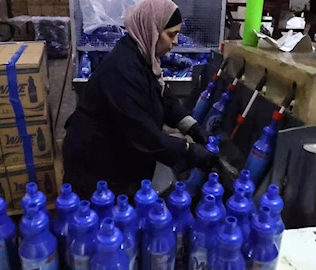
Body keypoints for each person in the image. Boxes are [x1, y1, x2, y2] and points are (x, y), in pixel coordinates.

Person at [63, 0, 215, 200]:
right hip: (96, 163)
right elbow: (143, 134)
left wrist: (192, 127)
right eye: (171, 34)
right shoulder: (124, 70)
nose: (176, 41)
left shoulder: (144, 57)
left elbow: (164, 97)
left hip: (117, 154)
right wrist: (189, 150)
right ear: (152, 30)